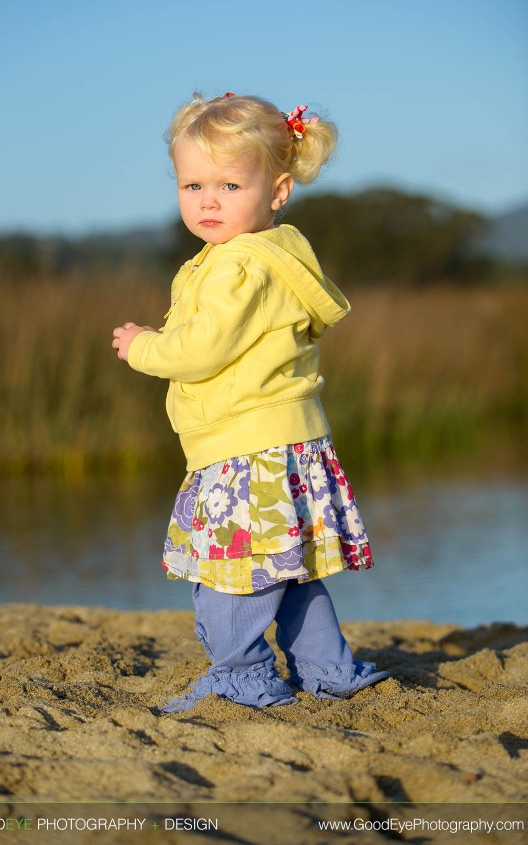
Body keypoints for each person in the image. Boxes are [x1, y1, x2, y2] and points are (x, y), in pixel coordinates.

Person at [112, 92, 389, 712]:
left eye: (230, 185)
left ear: (278, 189)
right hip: (288, 441)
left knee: (228, 574)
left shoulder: (239, 266)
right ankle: (326, 667)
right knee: (287, 569)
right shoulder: (276, 253)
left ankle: (241, 675)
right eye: (193, 185)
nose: (208, 200)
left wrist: (144, 347)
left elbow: (200, 351)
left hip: (244, 448)